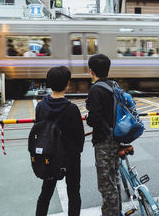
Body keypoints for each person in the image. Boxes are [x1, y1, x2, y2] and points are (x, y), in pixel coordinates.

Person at [35, 66, 85, 216]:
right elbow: (79, 138)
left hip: (49, 157)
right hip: (70, 158)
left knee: (46, 193)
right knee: (74, 193)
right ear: (67, 84)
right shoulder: (72, 109)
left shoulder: (40, 107)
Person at [85, 54, 122, 216]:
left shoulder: (95, 90)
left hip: (104, 141)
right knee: (115, 178)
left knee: (106, 184)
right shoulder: (114, 85)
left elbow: (94, 119)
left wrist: (88, 118)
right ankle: (117, 211)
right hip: (117, 137)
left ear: (91, 71)